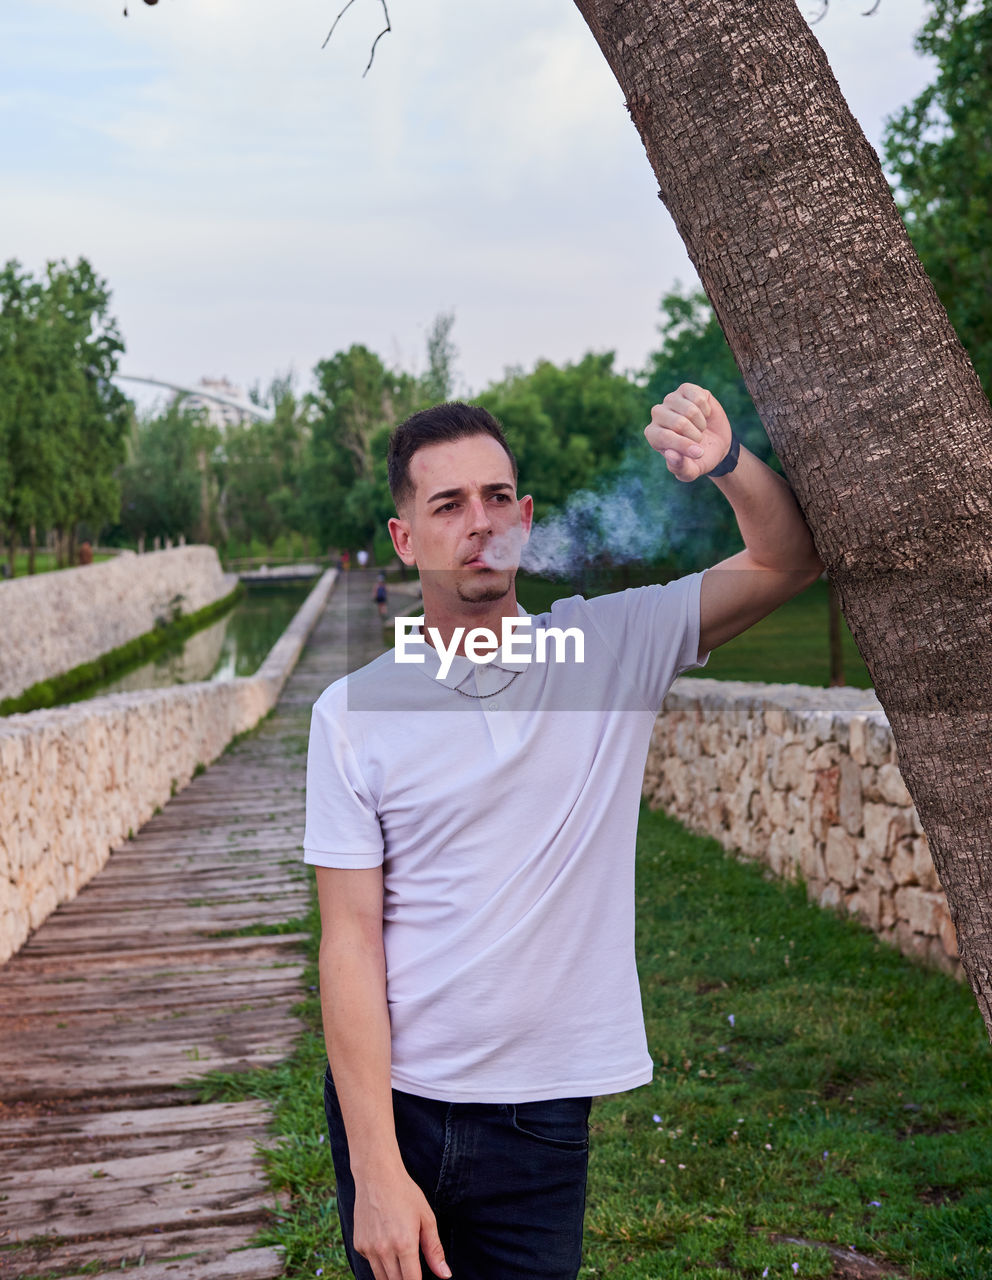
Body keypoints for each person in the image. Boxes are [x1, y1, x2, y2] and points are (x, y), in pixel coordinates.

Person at [304, 384, 823, 1280]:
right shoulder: (354, 711)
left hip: (542, 1120)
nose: (481, 521)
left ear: (528, 517)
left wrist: (728, 465)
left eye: (499, 498)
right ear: (404, 538)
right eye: (449, 504)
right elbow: (348, 943)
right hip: (402, 1111)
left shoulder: (605, 649)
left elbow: (788, 559)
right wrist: (375, 1165)